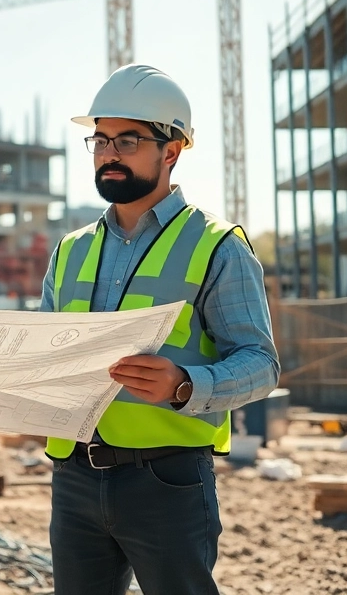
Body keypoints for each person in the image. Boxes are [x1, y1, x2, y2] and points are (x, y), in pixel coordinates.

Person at [40, 64, 280, 595]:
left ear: (171, 151)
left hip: (165, 481)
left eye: (127, 139)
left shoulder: (217, 245)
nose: (108, 152)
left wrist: (185, 385)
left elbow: (261, 364)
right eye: (100, 139)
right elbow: (41, 357)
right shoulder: (69, 251)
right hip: (74, 477)